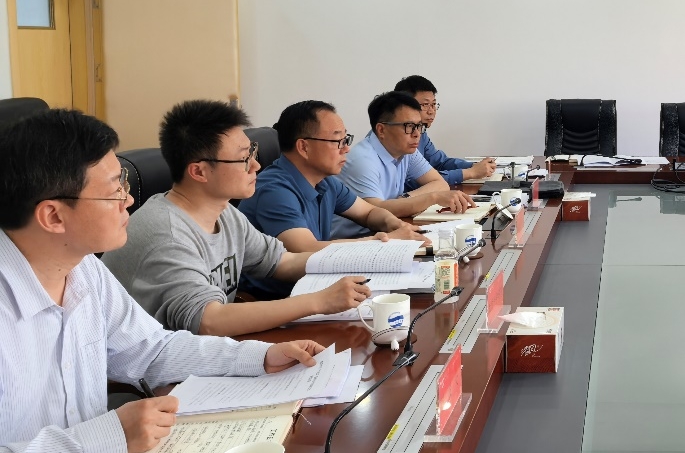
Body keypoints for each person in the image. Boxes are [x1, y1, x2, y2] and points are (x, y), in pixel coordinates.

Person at [0, 109, 325, 453]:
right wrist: (100, 438)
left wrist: (259, 358)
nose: (128, 200)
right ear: (53, 215)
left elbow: (153, 350)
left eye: (123, 183)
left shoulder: (84, 270)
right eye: (113, 191)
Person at [103, 100, 372, 335]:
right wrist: (319, 301)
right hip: (157, 372)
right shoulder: (168, 234)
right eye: (244, 158)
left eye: (252, 153)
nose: (256, 165)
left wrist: (366, 258)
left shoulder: (226, 213)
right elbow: (209, 321)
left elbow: (282, 261)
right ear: (199, 172)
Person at [238, 100, 428, 299]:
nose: (346, 149)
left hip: (316, 285)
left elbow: (368, 212)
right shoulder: (275, 190)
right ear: (304, 147)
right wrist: (384, 242)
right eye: (338, 141)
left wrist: (395, 225)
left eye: (346, 140)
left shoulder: (325, 182)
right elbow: (306, 250)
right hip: (274, 300)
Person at [332, 91, 473, 238]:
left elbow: (439, 183)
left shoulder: (407, 151)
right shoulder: (362, 160)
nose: (417, 134)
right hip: (353, 240)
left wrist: (405, 198)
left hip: (387, 231)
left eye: (419, 126)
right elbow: (376, 209)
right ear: (381, 130)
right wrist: (433, 197)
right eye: (409, 126)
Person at [394, 75, 497, 185]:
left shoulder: (421, 133)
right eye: (425, 105)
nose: (431, 111)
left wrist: (474, 166)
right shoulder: (398, 137)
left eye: (433, 104)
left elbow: (440, 162)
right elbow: (414, 183)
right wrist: (470, 173)